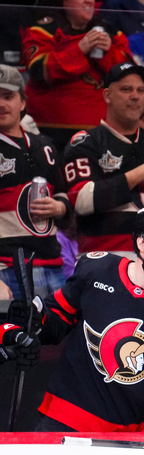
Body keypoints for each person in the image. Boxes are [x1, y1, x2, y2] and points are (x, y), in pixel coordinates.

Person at [35, 206, 144, 432]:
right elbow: (56, 321)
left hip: (132, 434)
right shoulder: (97, 269)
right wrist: (37, 318)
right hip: (67, 418)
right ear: (142, 243)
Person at [63, 62, 144, 257]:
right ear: (107, 95)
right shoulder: (85, 142)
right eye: (126, 89)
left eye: (140, 90)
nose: (135, 96)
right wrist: (135, 176)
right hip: (104, 261)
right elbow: (81, 201)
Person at [22, 0, 134, 148]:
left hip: (105, 131)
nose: (90, 1)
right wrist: (79, 50)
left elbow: (131, 78)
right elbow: (39, 71)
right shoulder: (43, 30)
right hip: (52, 132)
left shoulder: (112, 33)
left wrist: (110, 53)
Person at [0, 64, 69, 299]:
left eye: (8, 96)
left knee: (57, 335)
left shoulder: (45, 145)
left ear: (22, 103)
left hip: (52, 263)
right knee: (13, 335)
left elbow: (63, 194)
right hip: (6, 269)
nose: (1, 104)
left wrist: (58, 206)